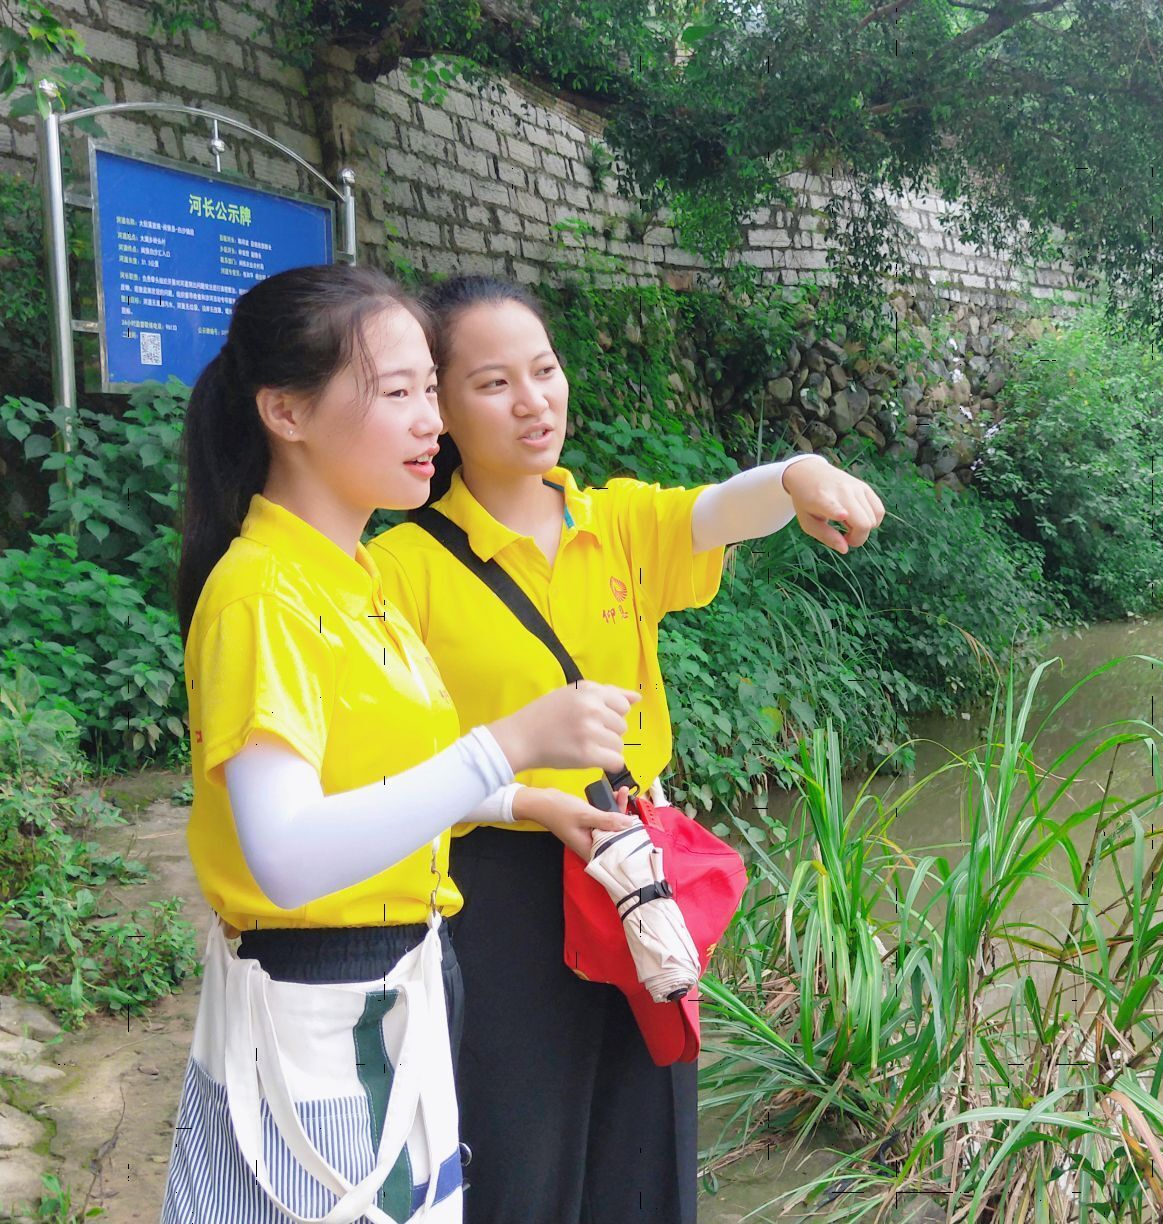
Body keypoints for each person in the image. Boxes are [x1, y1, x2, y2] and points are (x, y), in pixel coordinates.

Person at [367, 274, 887, 1222]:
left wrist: (797, 473)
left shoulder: (613, 523)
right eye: (494, 383)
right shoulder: (398, 570)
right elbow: (388, 775)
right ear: (439, 407)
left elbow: (720, 511)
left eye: (545, 370)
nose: (533, 401)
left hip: (631, 873)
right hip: (498, 888)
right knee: (518, 1152)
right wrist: (524, 797)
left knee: (645, 1148)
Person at [160, 264, 641, 1221]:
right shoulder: (265, 596)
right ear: (285, 413)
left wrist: (523, 799)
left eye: (431, 389)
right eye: (396, 394)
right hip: (321, 1008)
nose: (432, 421)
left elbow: (377, 775)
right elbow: (288, 856)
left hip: (397, 985)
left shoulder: (354, 576)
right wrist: (506, 745)